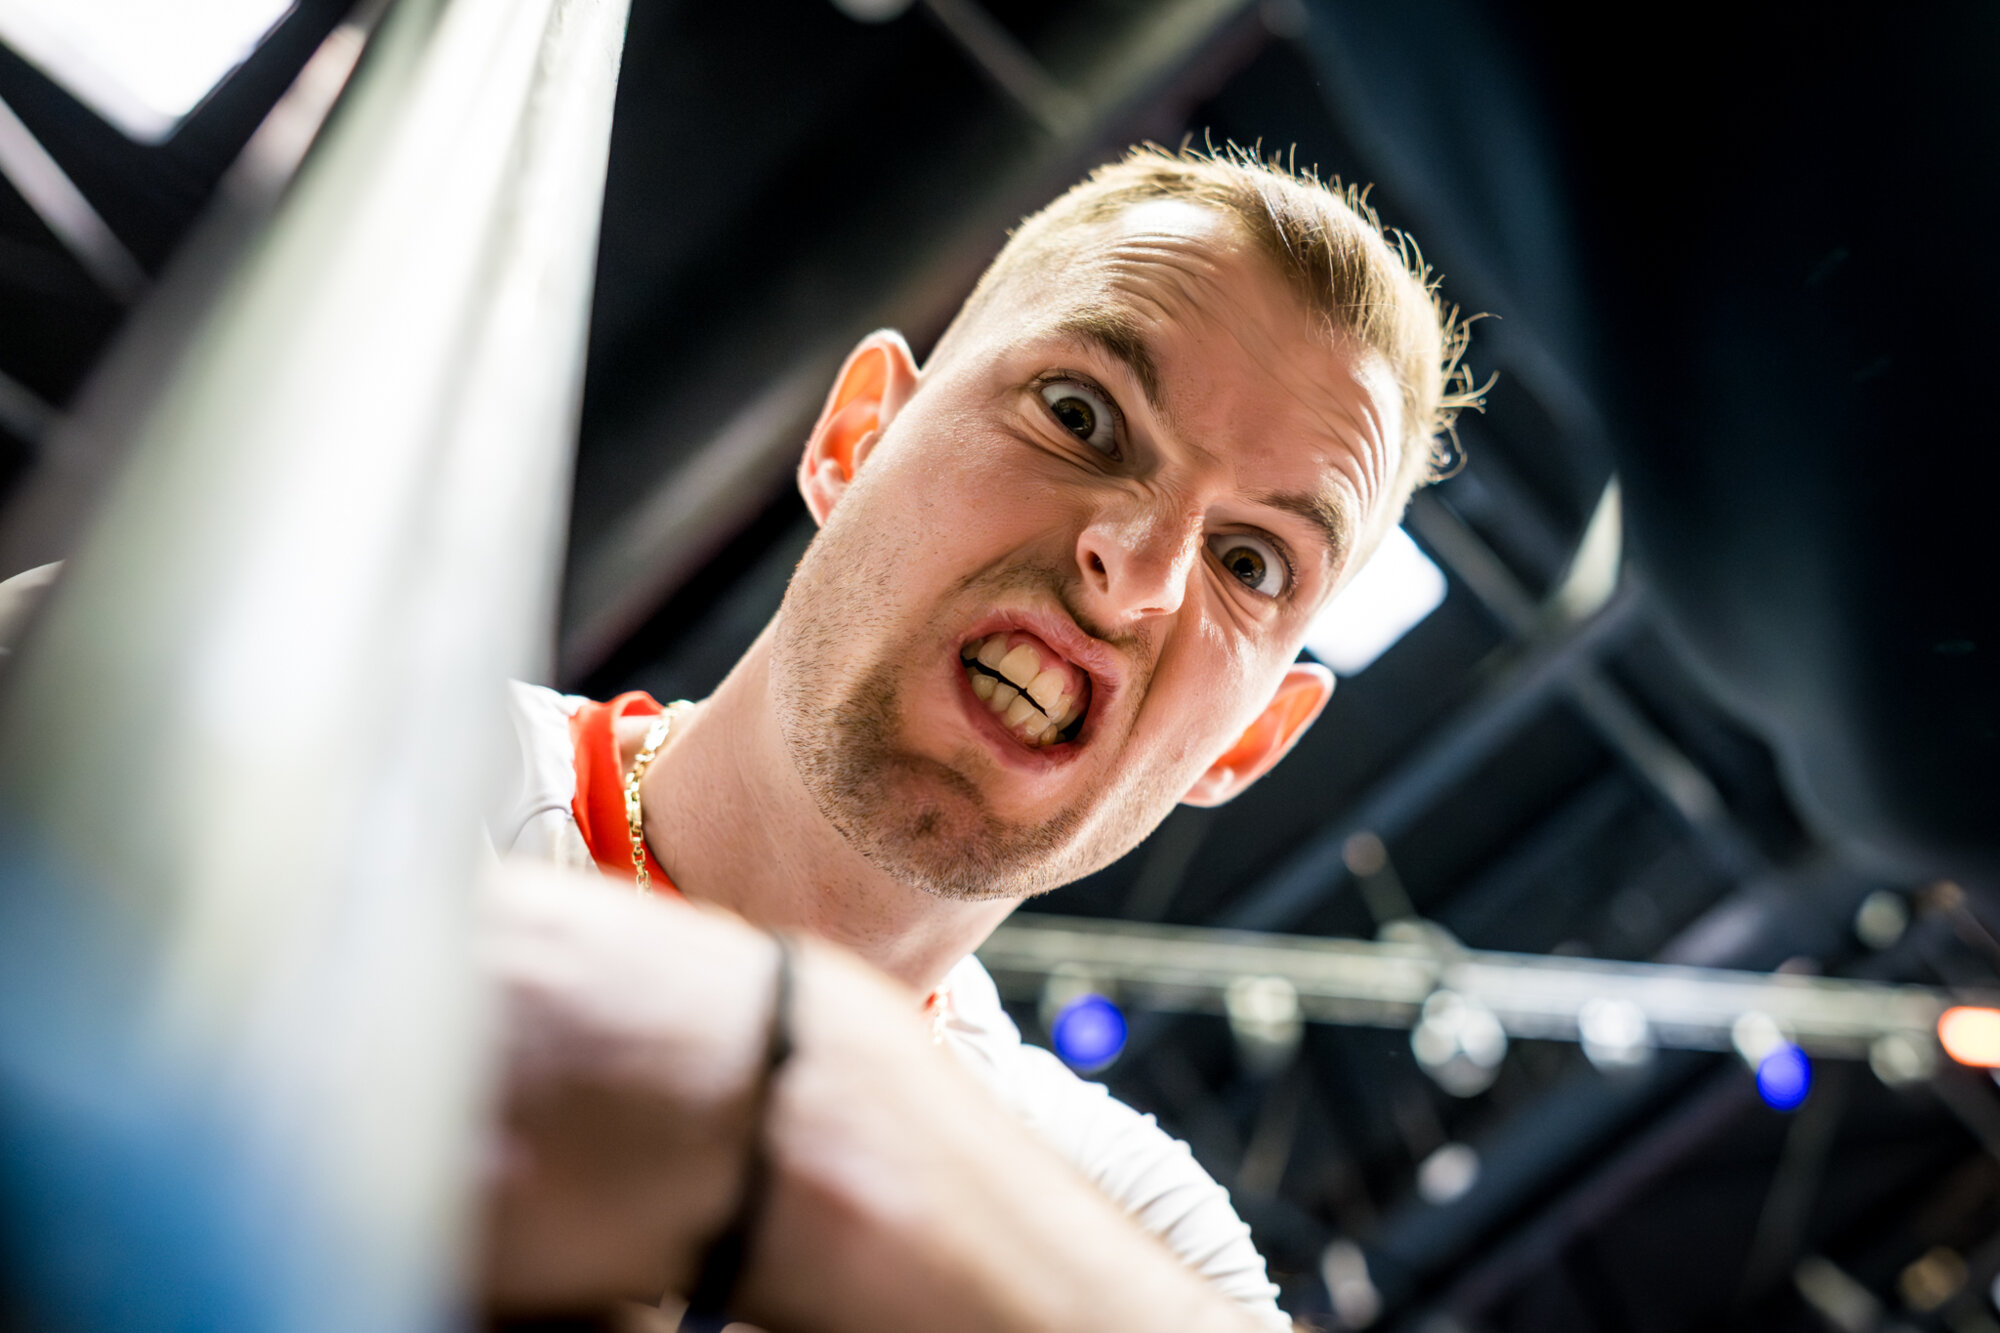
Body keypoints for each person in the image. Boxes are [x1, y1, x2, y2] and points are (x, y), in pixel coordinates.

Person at [482, 145, 1478, 1327]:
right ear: (857, 438)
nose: (1137, 570)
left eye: (1250, 562)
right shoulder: (391, 779)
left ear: (1248, 740)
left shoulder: (1134, 1220)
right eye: (1080, 414)